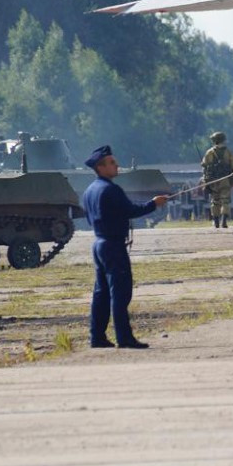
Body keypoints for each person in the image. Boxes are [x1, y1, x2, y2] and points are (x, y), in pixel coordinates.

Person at [82, 145, 169, 349]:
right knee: (120, 293)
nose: (116, 165)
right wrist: (153, 204)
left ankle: (97, 336)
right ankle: (124, 337)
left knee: (101, 293)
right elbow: (130, 210)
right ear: (100, 167)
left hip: (99, 244)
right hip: (112, 245)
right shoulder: (110, 189)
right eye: (112, 162)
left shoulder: (89, 191)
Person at [201, 131, 233, 229]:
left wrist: (206, 182)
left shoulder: (209, 152)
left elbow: (205, 167)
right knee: (225, 200)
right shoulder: (228, 152)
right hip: (225, 179)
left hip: (213, 181)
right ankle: (224, 221)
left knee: (215, 200)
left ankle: (216, 221)